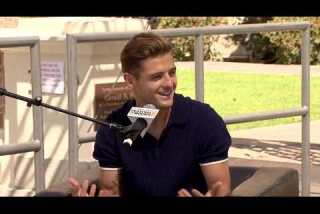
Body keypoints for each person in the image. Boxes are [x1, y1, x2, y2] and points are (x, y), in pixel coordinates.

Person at [68, 32, 232, 197]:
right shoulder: (114, 129)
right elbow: (110, 192)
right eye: (157, 77)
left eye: (172, 72)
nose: (169, 83)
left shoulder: (204, 121)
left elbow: (221, 190)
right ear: (130, 80)